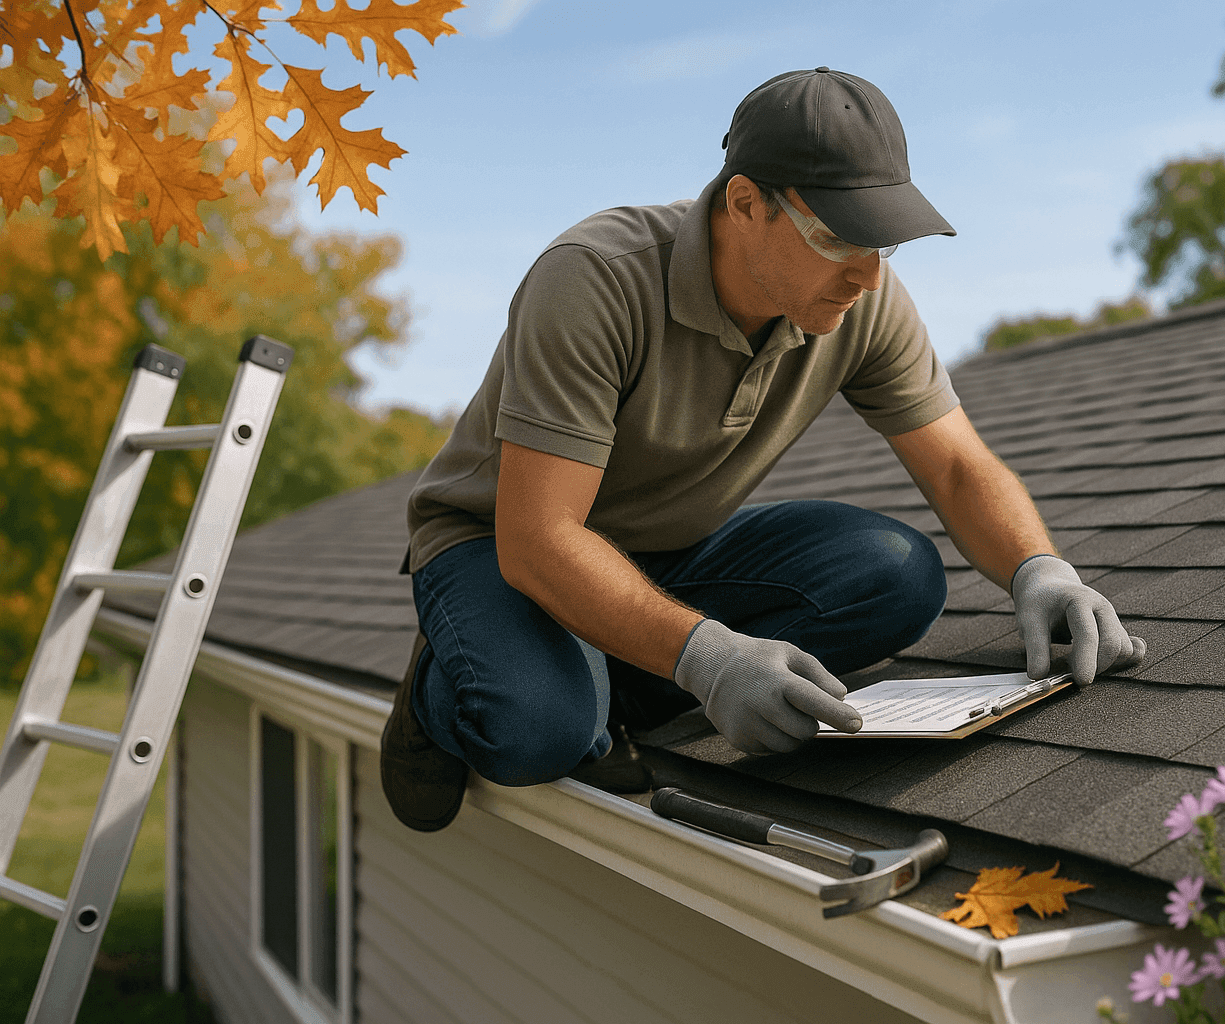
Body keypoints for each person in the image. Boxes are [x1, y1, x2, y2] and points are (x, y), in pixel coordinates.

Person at [382, 67, 1144, 832]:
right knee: (540, 730)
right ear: (746, 204)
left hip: (669, 551)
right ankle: (443, 689)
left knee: (898, 574)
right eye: (839, 238)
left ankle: (618, 668)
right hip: (499, 547)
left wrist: (1041, 571)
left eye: (883, 242)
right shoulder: (595, 279)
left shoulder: (862, 302)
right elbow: (540, 539)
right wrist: (708, 659)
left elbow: (956, 464)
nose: (867, 274)